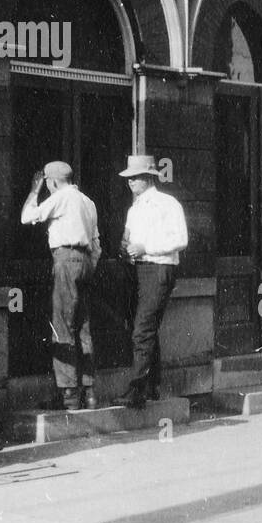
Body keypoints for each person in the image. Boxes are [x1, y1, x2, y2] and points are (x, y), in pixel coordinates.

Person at [20, 161, 102, 411]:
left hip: (65, 259)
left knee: (62, 326)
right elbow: (97, 243)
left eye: (47, 182)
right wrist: (87, 264)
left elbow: (27, 217)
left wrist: (34, 191)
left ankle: (68, 394)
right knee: (83, 326)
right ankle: (89, 393)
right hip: (86, 261)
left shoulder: (61, 197)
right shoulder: (87, 201)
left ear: (52, 181)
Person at [116, 154, 189, 409]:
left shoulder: (167, 204)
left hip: (159, 269)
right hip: (138, 270)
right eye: (128, 178)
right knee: (145, 327)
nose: (130, 183)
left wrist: (146, 247)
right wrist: (126, 247)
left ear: (148, 178)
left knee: (143, 329)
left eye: (135, 178)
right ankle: (152, 386)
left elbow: (181, 239)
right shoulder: (134, 208)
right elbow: (128, 239)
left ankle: (137, 391)